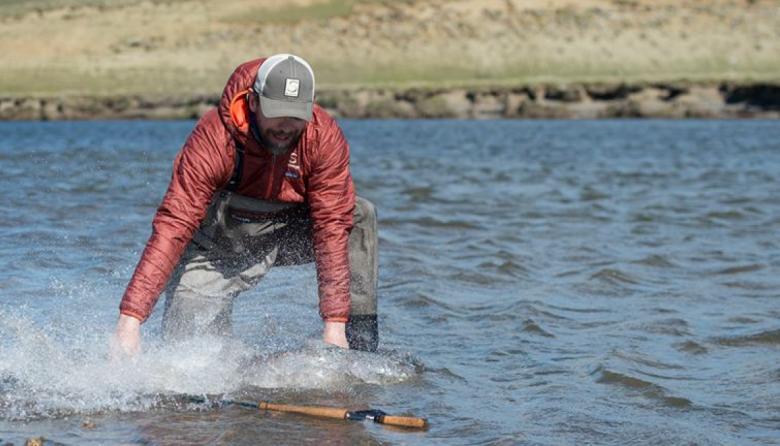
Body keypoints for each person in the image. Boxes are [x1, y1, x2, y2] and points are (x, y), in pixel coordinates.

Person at [111, 54, 378, 356]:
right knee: (188, 357)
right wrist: (130, 320)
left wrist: (334, 326)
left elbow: (331, 226)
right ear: (252, 102)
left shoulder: (323, 136)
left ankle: (359, 347)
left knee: (358, 214)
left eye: (295, 115)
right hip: (217, 246)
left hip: (285, 233)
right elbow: (175, 223)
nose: (285, 126)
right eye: (276, 112)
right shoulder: (214, 138)